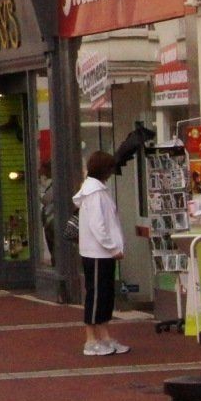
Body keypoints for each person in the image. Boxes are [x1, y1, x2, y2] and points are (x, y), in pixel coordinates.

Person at [75, 151, 130, 356]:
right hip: (98, 252)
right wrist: (112, 247)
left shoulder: (96, 191)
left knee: (105, 295)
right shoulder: (95, 193)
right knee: (97, 295)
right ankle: (90, 339)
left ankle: (104, 336)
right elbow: (99, 226)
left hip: (102, 252)